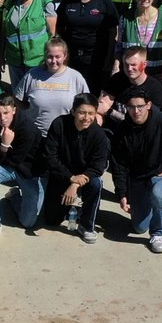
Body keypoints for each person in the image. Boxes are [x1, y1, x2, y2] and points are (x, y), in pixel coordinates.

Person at [110, 87, 162, 254]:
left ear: (148, 105)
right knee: (139, 227)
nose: (136, 111)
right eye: (131, 107)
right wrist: (122, 193)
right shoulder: (122, 131)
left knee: (158, 194)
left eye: (140, 106)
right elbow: (118, 164)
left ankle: (157, 233)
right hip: (138, 178)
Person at [41, 93, 108, 243]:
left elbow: (98, 166)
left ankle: (86, 225)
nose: (86, 118)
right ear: (73, 112)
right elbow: (49, 157)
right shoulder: (59, 124)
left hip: (85, 177)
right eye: (82, 112)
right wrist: (70, 177)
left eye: (91, 113)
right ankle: (16, 197)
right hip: (61, 174)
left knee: (96, 183)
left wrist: (75, 183)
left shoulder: (99, 135)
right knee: (51, 220)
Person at [0, 92, 44, 242]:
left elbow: (16, 160)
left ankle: (14, 196)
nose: (2, 118)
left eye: (6, 112)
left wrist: (5, 146)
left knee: (28, 222)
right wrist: (4, 145)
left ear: (14, 110)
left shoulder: (27, 128)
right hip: (7, 166)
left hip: (29, 172)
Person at [54, 0, 118, 91]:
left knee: (93, 93)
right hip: (72, 56)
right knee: (72, 91)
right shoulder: (68, 0)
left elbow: (113, 31)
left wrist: (109, 60)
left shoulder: (104, 1)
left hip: (96, 58)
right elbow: (60, 27)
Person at [14, 37, 91, 136]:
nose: (53, 61)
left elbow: (87, 104)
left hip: (64, 134)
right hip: (36, 134)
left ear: (65, 56)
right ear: (45, 56)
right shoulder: (32, 75)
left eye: (57, 56)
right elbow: (17, 98)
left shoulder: (75, 77)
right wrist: (28, 112)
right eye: (50, 56)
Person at [0, 0, 58, 88]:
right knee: (18, 96)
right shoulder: (11, 2)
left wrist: (50, 61)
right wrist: (0, 56)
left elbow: (52, 35)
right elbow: (4, 33)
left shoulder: (45, 3)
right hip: (14, 61)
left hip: (37, 62)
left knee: (36, 97)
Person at [115, 0, 162, 82]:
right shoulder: (125, 18)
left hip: (156, 76)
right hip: (130, 76)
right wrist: (115, 68)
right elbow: (118, 48)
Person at [98, 46, 162, 126]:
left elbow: (141, 121)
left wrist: (110, 111)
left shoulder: (155, 88)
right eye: (126, 65)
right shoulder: (116, 80)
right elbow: (101, 106)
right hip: (114, 130)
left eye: (133, 65)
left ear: (144, 64)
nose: (129, 68)